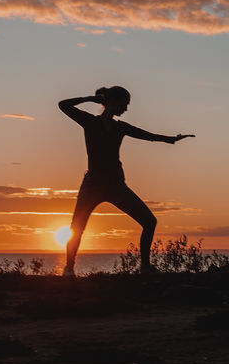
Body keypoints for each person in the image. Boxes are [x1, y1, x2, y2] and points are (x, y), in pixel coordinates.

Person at [58, 86, 192, 277]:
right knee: (76, 228)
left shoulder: (121, 127)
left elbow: (147, 135)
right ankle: (69, 269)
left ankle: (145, 267)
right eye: (125, 104)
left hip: (116, 186)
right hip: (92, 185)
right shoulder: (90, 122)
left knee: (149, 221)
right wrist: (90, 98)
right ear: (113, 101)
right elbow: (63, 105)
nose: (126, 109)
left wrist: (171, 139)